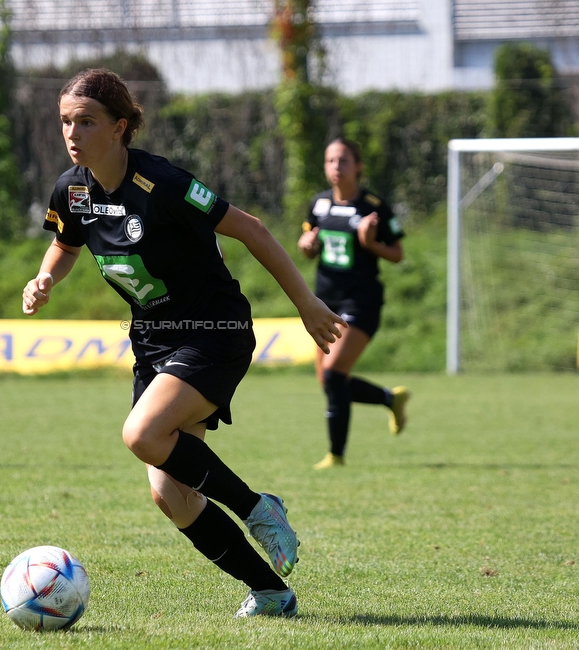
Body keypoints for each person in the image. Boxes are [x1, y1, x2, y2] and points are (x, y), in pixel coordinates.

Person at [22, 68, 345, 618]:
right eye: (65, 122)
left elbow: (253, 228)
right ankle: (271, 592)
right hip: (152, 344)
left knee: (142, 433)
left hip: (214, 332)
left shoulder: (163, 183)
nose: (72, 133)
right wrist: (46, 276)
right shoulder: (71, 189)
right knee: (170, 494)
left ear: (120, 127)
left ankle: (256, 507)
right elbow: (66, 244)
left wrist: (307, 304)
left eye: (86, 121)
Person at [297, 137, 410, 470]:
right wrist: (307, 246)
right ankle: (391, 399)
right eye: (331, 160)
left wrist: (370, 243)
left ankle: (336, 455)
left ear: (358, 166)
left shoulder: (373, 206)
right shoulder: (318, 204)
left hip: (361, 301)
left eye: (343, 160)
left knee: (333, 377)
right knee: (329, 381)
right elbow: (309, 246)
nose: (336, 167)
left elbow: (398, 254)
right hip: (324, 302)